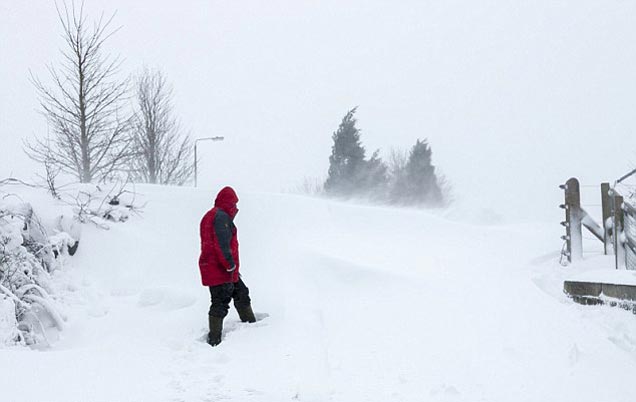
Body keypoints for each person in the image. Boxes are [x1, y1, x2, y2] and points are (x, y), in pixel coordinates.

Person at [199, 186, 256, 346]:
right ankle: (214, 340)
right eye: (234, 203)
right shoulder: (220, 217)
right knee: (220, 302)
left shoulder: (213, 215)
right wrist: (229, 265)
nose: (236, 208)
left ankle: (252, 326)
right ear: (227, 203)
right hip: (220, 269)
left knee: (241, 293)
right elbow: (221, 244)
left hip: (219, 268)